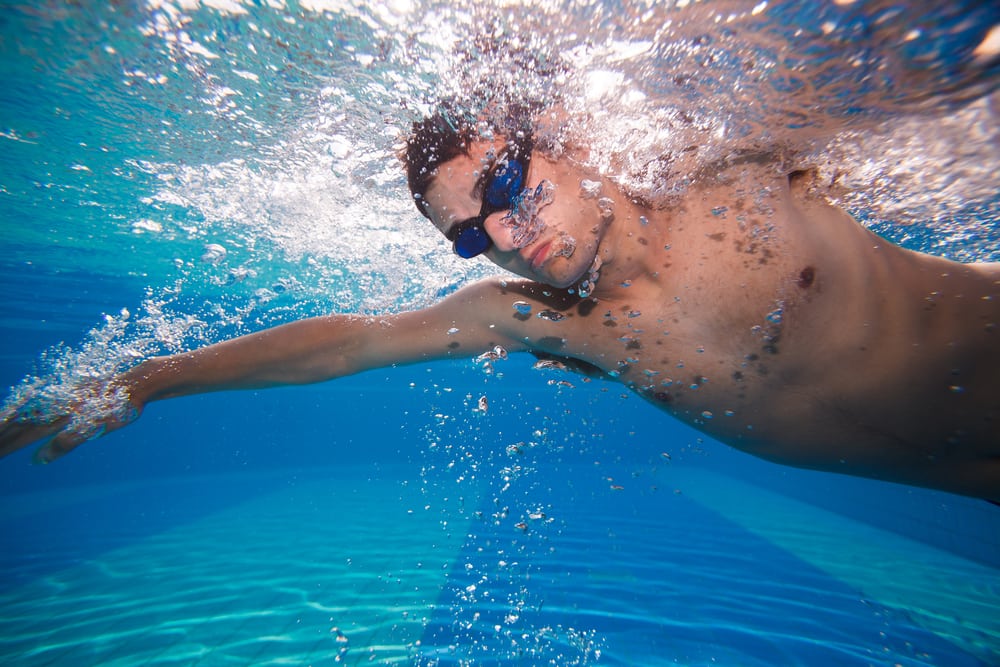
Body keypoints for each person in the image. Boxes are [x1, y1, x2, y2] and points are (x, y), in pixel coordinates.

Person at [1, 104, 998, 503]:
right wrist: (143, 380)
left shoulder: (725, 173)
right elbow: (348, 344)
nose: (511, 233)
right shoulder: (543, 319)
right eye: (474, 231)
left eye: (508, 186)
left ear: (558, 141)